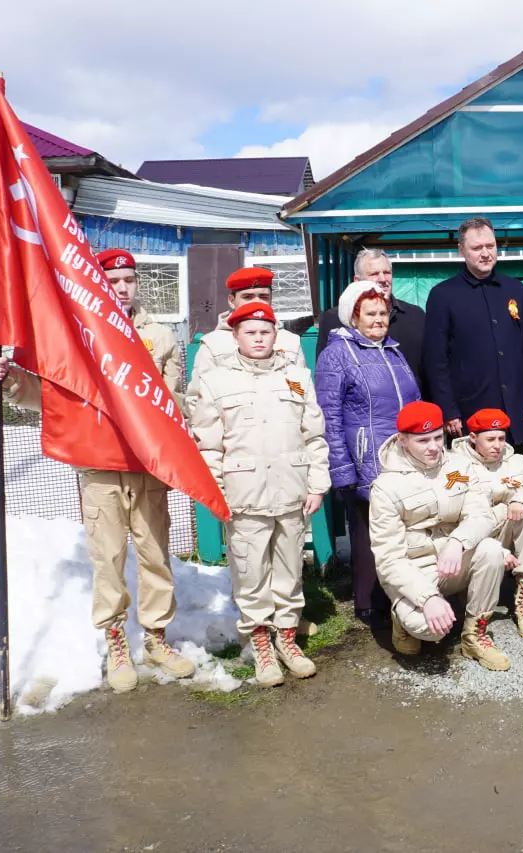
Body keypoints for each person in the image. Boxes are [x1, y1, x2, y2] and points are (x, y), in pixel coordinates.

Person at [0, 248, 195, 692]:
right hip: (99, 466)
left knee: (155, 555)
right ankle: (116, 642)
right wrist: (7, 378)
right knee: (108, 557)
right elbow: (46, 393)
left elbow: (173, 400)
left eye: (129, 281)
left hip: (146, 464)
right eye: (113, 281)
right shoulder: (75, 336)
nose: (122, 288)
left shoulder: (162, 336)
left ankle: (156, 638)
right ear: (98, 285)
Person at [188, 301, 330, 687]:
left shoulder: (297, 376)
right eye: (250, 332)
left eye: (265, 332)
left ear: (275, 335)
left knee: (289, 573)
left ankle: (287, 639)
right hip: (244, 496)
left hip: (291, 492)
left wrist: (317, 484)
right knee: (250, 576)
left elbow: (313, 435)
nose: (258, 338)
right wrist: (216, 492)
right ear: (235, 335)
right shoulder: (217, 381)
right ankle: (261, 646)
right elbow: (208, 446)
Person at [369, 401, 510, 670]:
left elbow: (481, 515)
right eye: (423, 441)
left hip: (453, 559)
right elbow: (388, 560)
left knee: (491, 550)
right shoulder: (386, 487)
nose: (434, 447)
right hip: (415, 569)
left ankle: (474, 636)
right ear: (402, 440)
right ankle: (403, 621)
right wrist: (427, 597)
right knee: (433, 630)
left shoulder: (459, 466)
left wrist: (458, 541)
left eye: (437, 437)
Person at [314, 281, 422, 627]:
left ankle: (399, 596)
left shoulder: (393, 350)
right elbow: (327, 414)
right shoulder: (338, 354)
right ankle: (368, 604)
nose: (379, 320)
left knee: (398, 531)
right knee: (367, 533)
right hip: (366, 460)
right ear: (353, 317)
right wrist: (343, 468)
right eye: (370, 314)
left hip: (401, 460)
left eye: (383, 313)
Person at [422, 216, 523, 456]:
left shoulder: (515, 290)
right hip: (470, 413)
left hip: (512, 410)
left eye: (490, 246)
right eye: (477, 248)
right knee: (470, 485)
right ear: (461, 250)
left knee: (514, 484)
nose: (485, 253)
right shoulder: (443, 295)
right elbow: (435, 361)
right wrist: (448, 410)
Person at [452, 408, 523, 639]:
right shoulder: (455, 465)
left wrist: (521, 498)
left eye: (501, 438)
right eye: (490, 439)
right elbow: (461, 511)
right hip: (476, 541)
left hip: (506, 532)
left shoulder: (516, 461)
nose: (497, 445)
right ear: (472, 438)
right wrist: (504, 500)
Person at [188, 267, 306, 401]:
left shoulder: (290, 341)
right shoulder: (213, 343)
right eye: (248, 297)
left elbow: (303, 392)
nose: (256, 302)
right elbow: (197, 399)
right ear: (231, 301)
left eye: (263, 297)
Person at [315, 248, 426, 388]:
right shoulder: (333, 319)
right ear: (357, 280)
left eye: (387, 273)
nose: (383, 279)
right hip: (360, 408)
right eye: (374, 274)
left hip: (410, 405)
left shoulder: (415, 316)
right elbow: (326, 380)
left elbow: (428, 369)